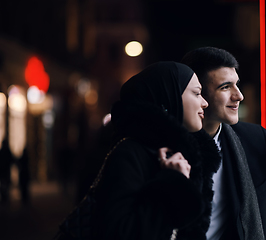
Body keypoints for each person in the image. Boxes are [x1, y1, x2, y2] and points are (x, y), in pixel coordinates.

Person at [181, 47, 266, 240]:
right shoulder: (169, 150)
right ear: (199, 93)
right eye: (225, 87)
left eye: (236, 85)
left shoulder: (253, 138)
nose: (239, 96)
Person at [92, 61, 222, 240]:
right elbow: (122, 233)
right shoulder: (130, 152)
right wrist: (173, 182)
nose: (205, 103)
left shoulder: (190, 156)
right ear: (169, 96)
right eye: (197, 93)